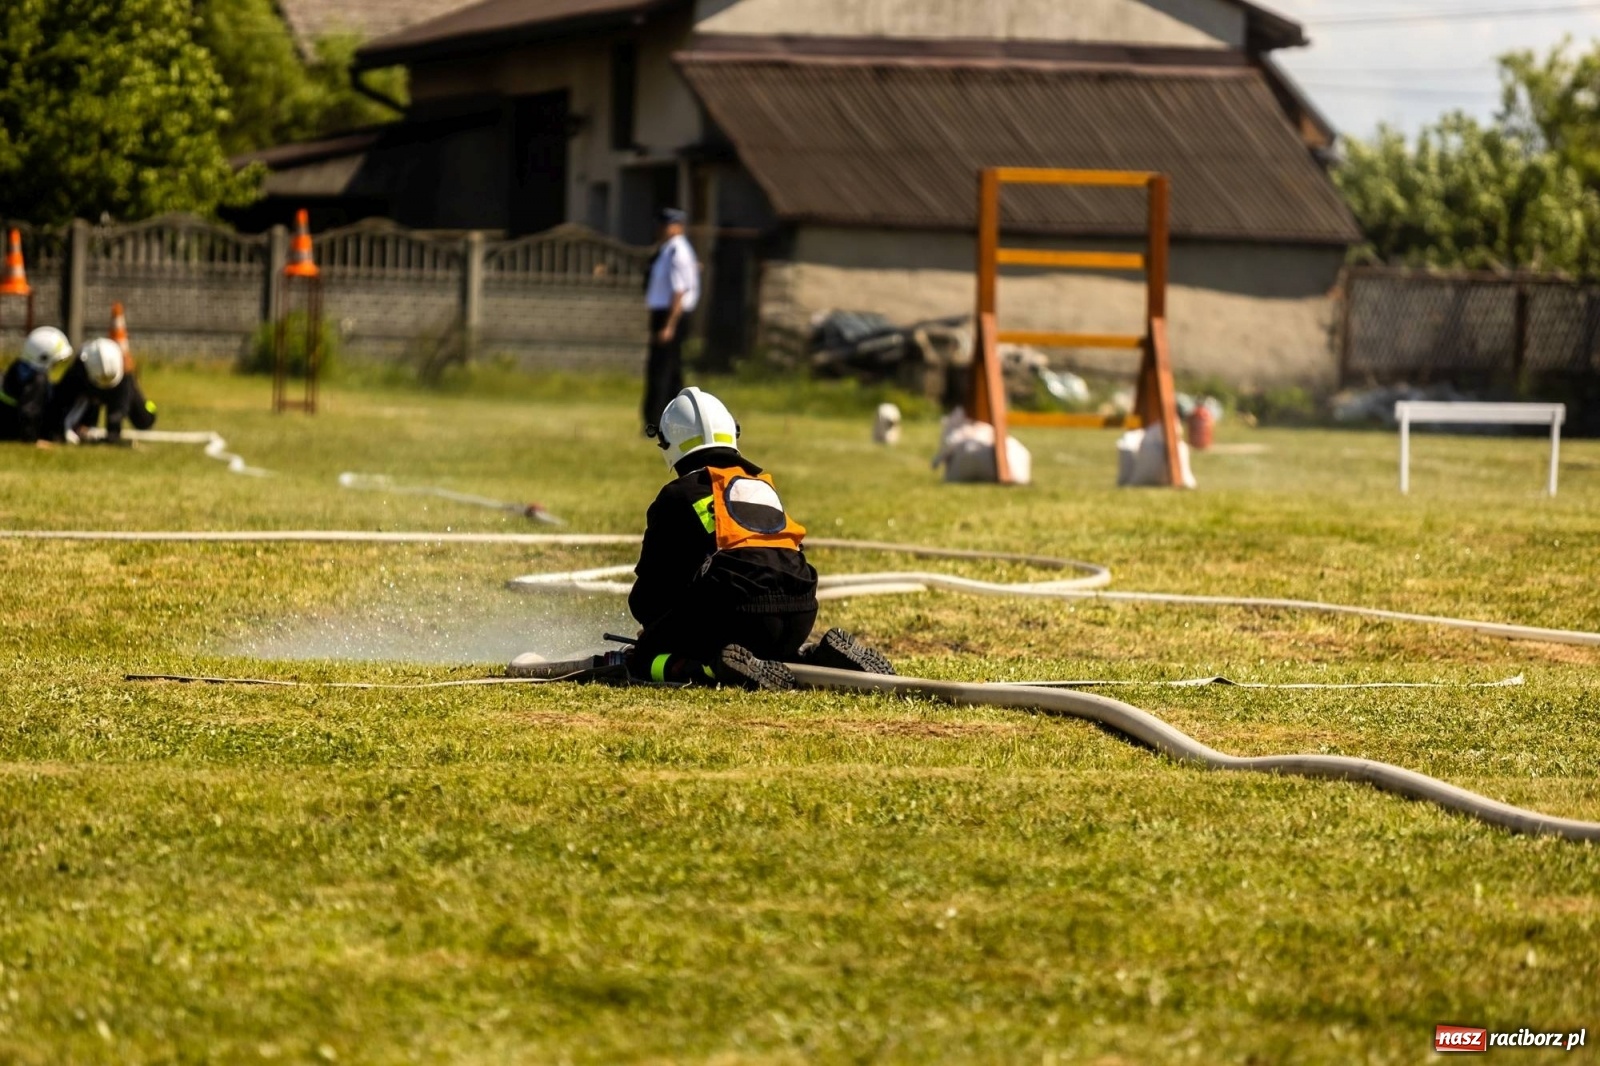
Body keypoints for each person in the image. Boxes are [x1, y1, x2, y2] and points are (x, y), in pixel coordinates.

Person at [513, 387, 894, 689]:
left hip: (738, 616)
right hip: (799, 615)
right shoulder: (760, 485)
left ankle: (713, 668)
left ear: (670, 444)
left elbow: (648, 595)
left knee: (647, 659)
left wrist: (657, 631)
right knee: (770, 654)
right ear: (733, 434)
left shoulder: (678, 495)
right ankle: (818, 657)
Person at [642, 207, 699, 433]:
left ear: (678, 226)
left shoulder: (678, 252)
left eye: (666, 225)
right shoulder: (667, 250)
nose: (662, 229)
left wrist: (669, 325)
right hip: (663, 313)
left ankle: (656, 421)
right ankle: (678, 421)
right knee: (671, 371)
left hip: (670, 315)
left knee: (661, 371)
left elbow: (679, 291)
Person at [49, 337, 157, 444]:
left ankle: (149, 406)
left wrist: (113, 433)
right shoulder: (78, 370)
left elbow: (118, 409)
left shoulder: (125, 375)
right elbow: (61, 398)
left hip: (117, 389)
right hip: (89, 393)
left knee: (145, 419)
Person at [1, 327, 72, 445]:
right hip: (10, 430)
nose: (55, 365)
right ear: (43, 357)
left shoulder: (20, 366)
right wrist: (32, 441)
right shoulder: (36, 380)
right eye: (54, 361)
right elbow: (29, 412)